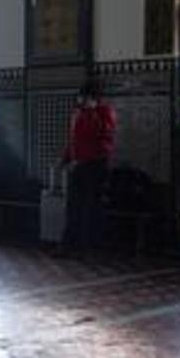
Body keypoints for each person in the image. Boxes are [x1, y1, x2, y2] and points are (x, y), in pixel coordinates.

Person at [59, 81, 117, 255]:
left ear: (94, 99)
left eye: (85, 98)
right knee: (73, 207)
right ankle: (68, 245)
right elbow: (74, 139)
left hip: (95, 165)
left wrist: (92, 112)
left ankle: (87, 247)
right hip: (78, 165)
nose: (81, 101)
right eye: (80, 97)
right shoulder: (78, 113)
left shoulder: (105, 112)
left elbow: (103, 134)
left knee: (90, 208)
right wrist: (65, 158)